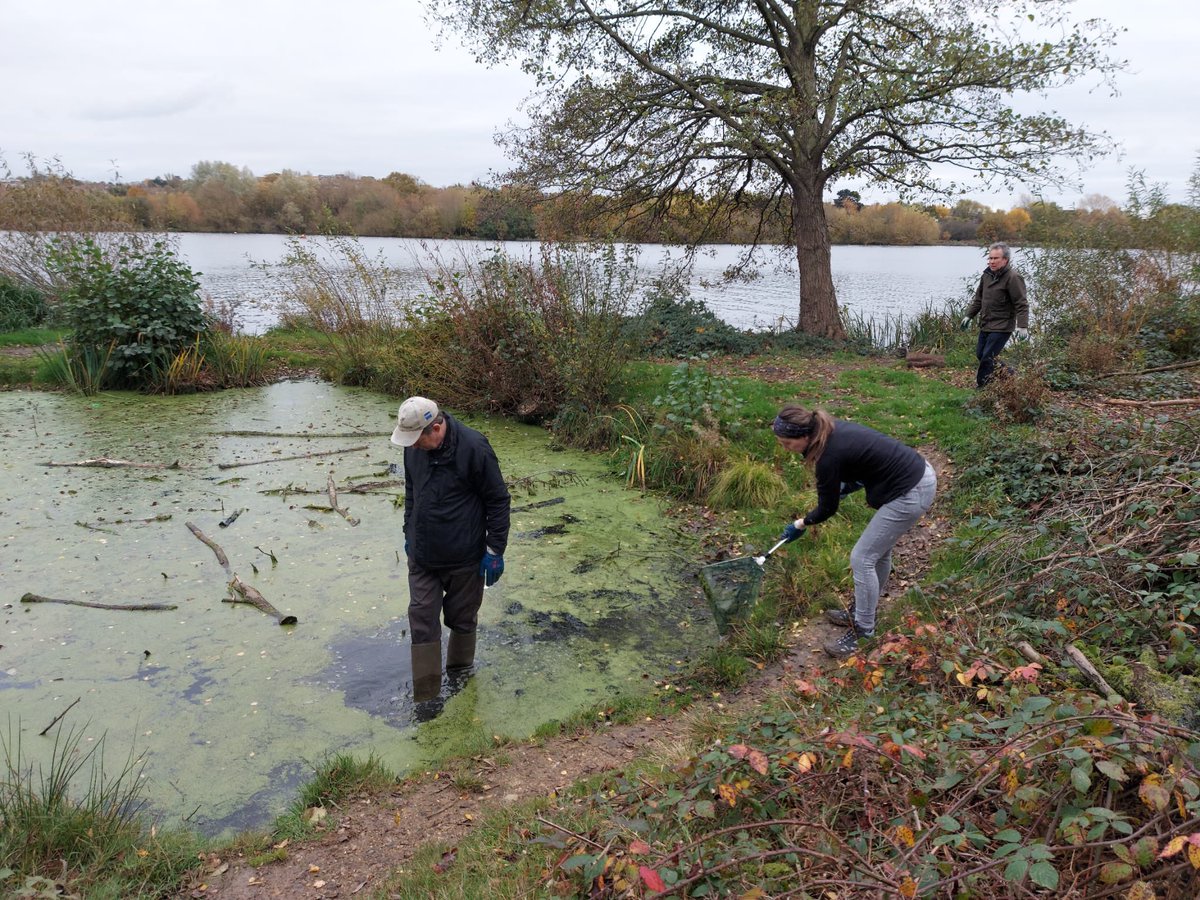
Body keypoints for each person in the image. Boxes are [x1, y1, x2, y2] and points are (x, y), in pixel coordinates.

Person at [773, 405, 937, 658]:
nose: (786, 449)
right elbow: (863, 465)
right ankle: (862, 611)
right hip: (917, 475)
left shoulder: (828, 456)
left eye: (787, 443)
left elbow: (827, 508)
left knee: (862, 558)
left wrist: (800, 524)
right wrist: (846, 486)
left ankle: (863, 632)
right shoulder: (829, 430)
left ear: (804, 436)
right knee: (877, 554)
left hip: (910, 491)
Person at [391, 396, 511, 705]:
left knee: (462, 618)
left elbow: (498, 500)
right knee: (421, 619)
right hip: (423, 557)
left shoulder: (474, 448)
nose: (413, 446)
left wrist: (494, 548)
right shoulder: (413, 449)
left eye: (418, 439)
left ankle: (460, 679)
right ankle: (427, 696)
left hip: (464, 557)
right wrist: (409, 531)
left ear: (437, 427)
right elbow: (411, 492)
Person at [960, 242, 1030, 388]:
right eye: (990, 258)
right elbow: (978, 299)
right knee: (981, 354)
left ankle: (983, 387)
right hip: (986, 323)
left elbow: (1021, 303)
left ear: (1005, 260)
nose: (991, 261)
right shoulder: (986, 276)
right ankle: (1009, 374)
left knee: (987, 357)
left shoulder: (1013, 278)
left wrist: (1022, 326)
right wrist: (968, 316)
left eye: (995, 258)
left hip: (1003, 326)